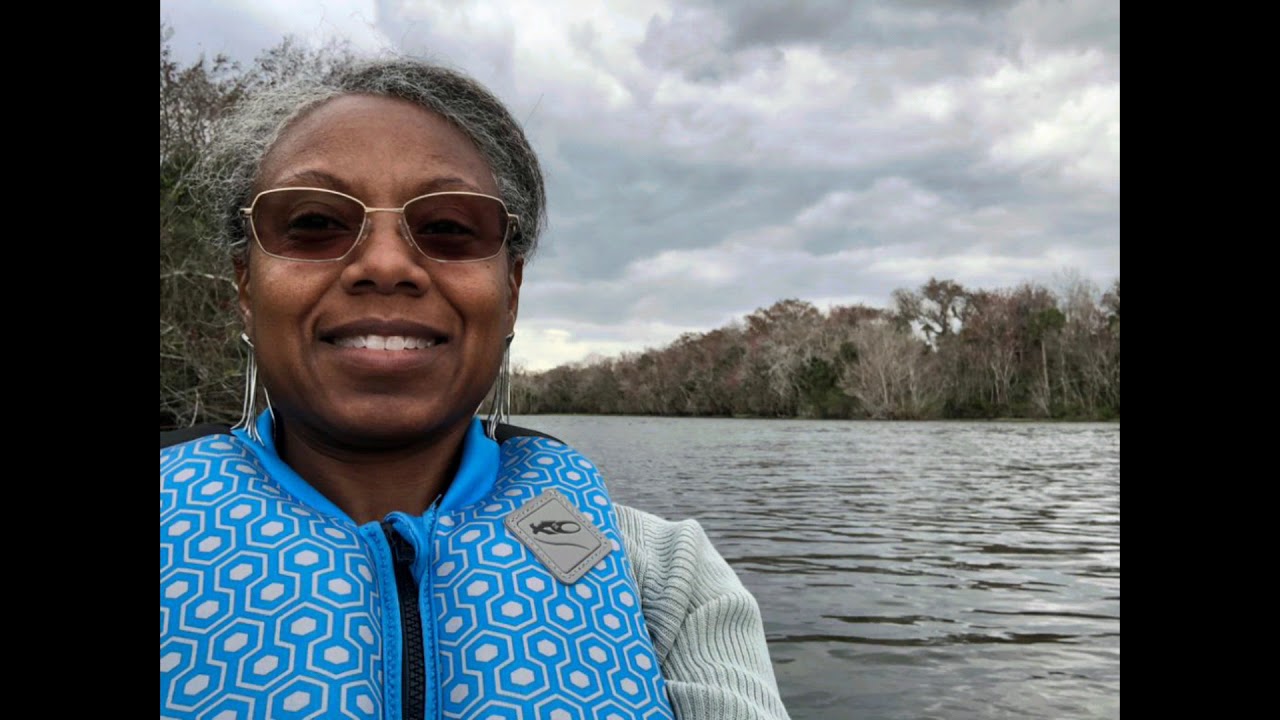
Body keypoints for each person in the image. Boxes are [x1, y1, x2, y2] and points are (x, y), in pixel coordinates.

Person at [160, 57, 790, 720]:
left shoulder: (668, 581)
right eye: (315, 223)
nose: (384, 265)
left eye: (449, 229)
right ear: (244, 284)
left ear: (510, 293)